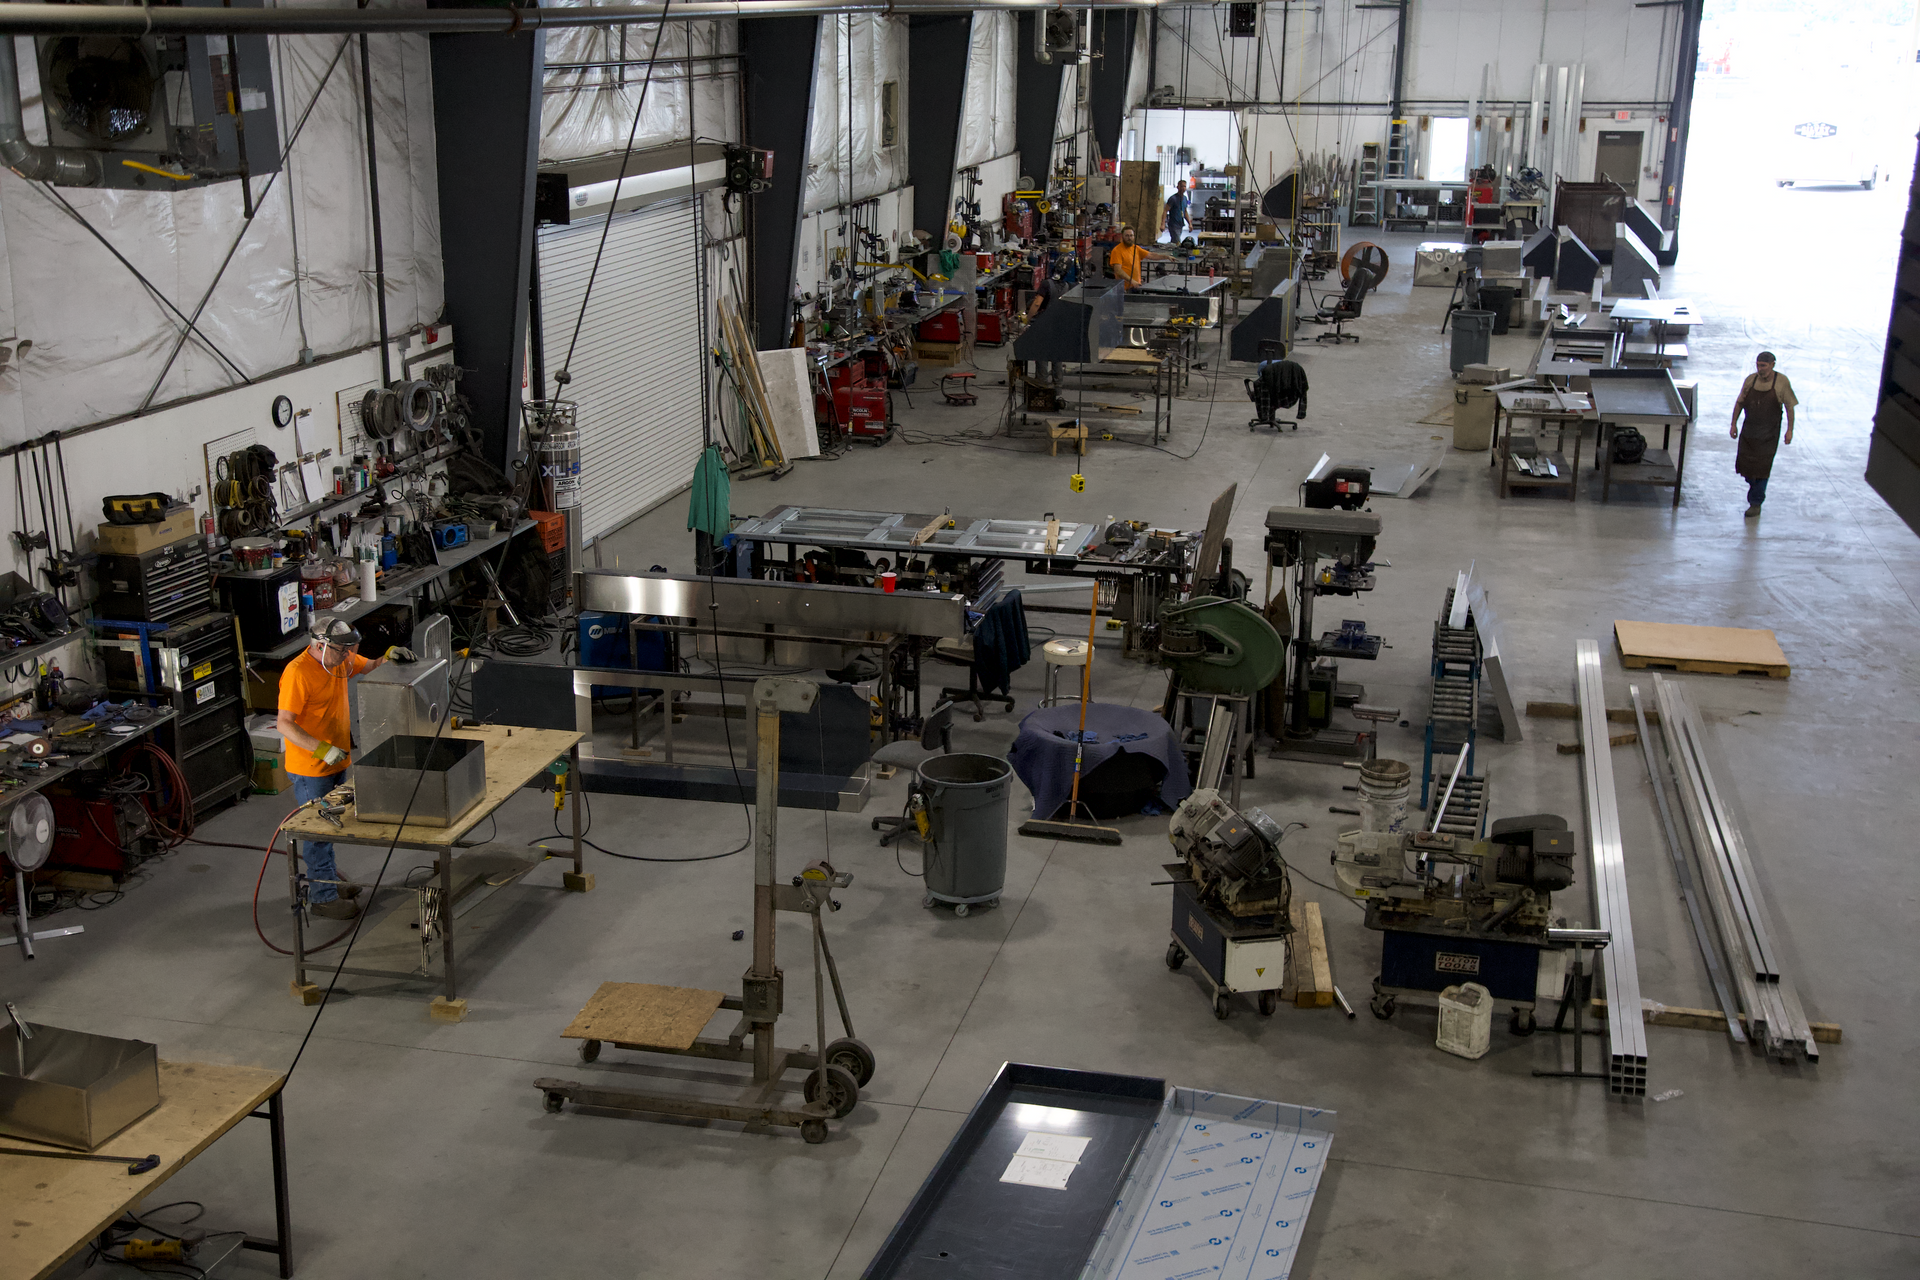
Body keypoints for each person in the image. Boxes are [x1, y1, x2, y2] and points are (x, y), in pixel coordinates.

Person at [276, 617, 414, 919]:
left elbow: (367, 665)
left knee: (332, 826)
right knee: (318, 833)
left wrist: (388, 655)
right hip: (311, 769)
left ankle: (325, 883)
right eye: (342, 650)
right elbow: (284, 723)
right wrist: (322, 749)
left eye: (351, 649)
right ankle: (323, 899)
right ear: (321, 645)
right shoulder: (298, 674)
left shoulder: (338, 660)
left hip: (337, 760)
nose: (347, 656)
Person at [1729, 350, 1797, 517]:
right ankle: (1754, 490)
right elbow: (1739, 403)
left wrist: (1790, 430)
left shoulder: (1781, 382)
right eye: (1759, 365)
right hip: (1749, 433)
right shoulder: (1750, 381)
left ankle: (1755, 502)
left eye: (1764, 366)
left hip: (1768, 436)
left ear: (1772, 365)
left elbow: (1789, 407)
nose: (1761, 369)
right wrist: (1733, 424)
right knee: (1746, 468)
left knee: (1762, 470)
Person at [1106, 225, 1170, 290]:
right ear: (1122, 237)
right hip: (1123, 288)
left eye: (1131, 235)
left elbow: (1151, 255)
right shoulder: (1117, 250)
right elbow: (1118, 270)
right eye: (1127, 236)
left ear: (1134, 237)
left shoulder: (1135, 248)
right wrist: (1131, 281)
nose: (1129, 238)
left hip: (1136, 285)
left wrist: (1166, 256)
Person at [1164, 179, 1191, 244]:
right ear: (1178, 187)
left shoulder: (1184, 198)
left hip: (1180, 224)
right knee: (1177, 241)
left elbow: (1185, 212)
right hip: (1173, 224)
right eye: (1181, 186)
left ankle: (1171, 252)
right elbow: (1165, 211)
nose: (1183, 188)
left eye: (1184, 186)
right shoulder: (1173, 199)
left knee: (1174, 241)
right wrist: (1162, 224)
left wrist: (1190, 223)